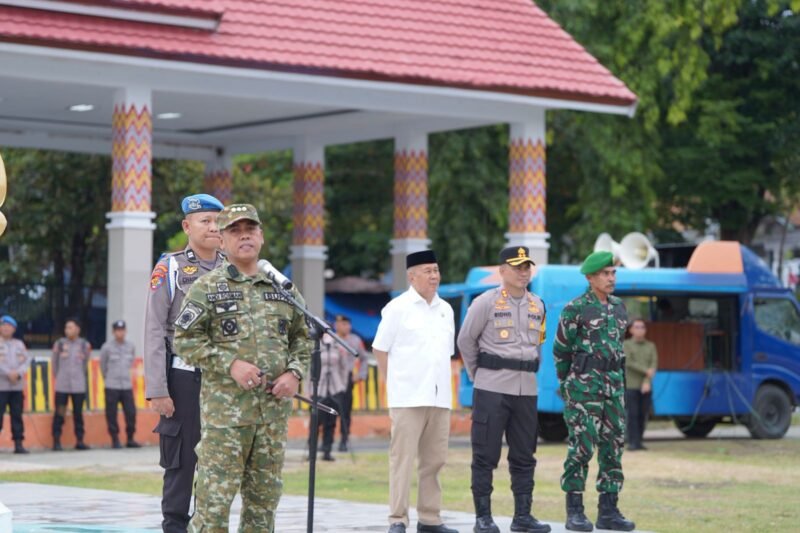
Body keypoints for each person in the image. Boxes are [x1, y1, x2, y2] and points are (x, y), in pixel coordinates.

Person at [173, 203, 311, 532]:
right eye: (235, 230)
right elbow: (183, 340)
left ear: (261, 236)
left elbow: (304, 339)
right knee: (214, 503)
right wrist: (230, 364)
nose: (244, 235)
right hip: (226, 419)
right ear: (221, 240)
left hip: (272, 417)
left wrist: (294, 373)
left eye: (251, 229)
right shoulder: (206, 288)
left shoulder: (284, 289)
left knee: (263, 503)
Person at [143, 193, 225, 533]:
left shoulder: (233, 267)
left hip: (224, 382)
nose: (213, 227)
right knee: (181, 462)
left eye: (217, 221)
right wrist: (157, 389)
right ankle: (174, 527)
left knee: (221, 462)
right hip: (184, 379)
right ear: (186, 225)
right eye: (205, 220)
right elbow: (154, 327)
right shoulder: (172, 266)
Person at [457, 246, 551, 533]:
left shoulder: (538, 304)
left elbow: (539, 348)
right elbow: (465, 341)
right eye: (518, 266)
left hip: (526, 391)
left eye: (527, 267)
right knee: (485, 454)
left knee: (524, 455)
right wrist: (481, 376)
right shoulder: (485, 302)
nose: (524, 272)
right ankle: (482, 518)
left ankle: (523, 516)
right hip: (492, 389)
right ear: (502, 270)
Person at [373, 250, 457, 533]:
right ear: (412, 276)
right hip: (408, 397)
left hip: (439, 397)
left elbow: (446, 354)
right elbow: (380, 349)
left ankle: (430, 518)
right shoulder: (397, 308)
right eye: (428, 271)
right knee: (402, 461)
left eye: (436, 270)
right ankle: (397, 519)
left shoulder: (446, 309)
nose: (434, 276)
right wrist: (394, 384)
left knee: (435, 461)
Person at [553, 251, 635, 532]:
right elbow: (561, 351)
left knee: (613, 446)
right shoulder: (575, 308)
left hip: (613, 387)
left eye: (613, 273)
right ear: (590, 278)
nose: (611, 278)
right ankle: (574, 511)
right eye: (605, 274)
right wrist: (568, 386)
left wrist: (618, 385)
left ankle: (608, 511)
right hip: (583, 389)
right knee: (582, 447)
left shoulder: (620, 307)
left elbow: (618, 349)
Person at [51, 317, 92, 451]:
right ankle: (56, 441)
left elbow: (85, 364)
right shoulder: (60, 343)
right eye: (66, 327)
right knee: (60, 413)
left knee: (78, 414)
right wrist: (60, 377)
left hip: (78, 386)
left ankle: (80, 441)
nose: (67, 330)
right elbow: (54, 364)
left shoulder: (84, 345)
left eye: (70, 327)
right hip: (62, 386)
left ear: (78, 329)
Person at [308, 333, 349, 461]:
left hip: (335, 388)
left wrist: (342, 384)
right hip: (319, 388)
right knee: (315, 422)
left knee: (331, 422)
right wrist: (308, 389)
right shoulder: (314, 346)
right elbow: (309, 369)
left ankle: (327, 451)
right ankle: (312, 452)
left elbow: (344, 367)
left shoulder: (338, 346)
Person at [100, 319, 140, 449]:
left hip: (126, 385)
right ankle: (115, 439)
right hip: (111, 385)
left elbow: (131, 363)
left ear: (125, 331)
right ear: (113, 332)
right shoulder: (106, 347)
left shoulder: (130, 346)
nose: (120, 333)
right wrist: (108, 378)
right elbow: (103, 367)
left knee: (131, 412)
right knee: (111, 414)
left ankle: (130, 438)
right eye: (117, 330)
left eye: (122, 330)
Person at [334, 314, 368, 452]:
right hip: (331, 378)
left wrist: (360, 375)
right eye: (343, 324)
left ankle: (344, 440)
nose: (346, 327)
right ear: (336, 325)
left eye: (348, 324)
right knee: (326, 411)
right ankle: (325, 442)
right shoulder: (330, 338)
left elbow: (364, 358)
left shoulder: (355, 340)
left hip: (347, 378)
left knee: (345, 412)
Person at [623, 319, 658, 451]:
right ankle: (633, 442)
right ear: (631, 330)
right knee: (632, 414)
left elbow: (654, 363)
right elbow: (629, 362)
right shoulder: (626, 345)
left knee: (643, 415)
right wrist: (646, 371)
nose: (640, 329)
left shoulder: (651, 346)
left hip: (646, 386)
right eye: (637, 327)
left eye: (642, 327)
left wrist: (647, 381)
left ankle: (640, 441)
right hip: (631, 385)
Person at [0, 315, 32, 454]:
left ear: (14, 328)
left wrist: (18, 373)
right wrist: (8, 373)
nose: (6, 328)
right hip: (1, 386)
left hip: (16, 387)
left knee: (17, 415)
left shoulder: (19, 344)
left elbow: (26, 361)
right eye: (3, 325)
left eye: (9, 325)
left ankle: (18, 443)